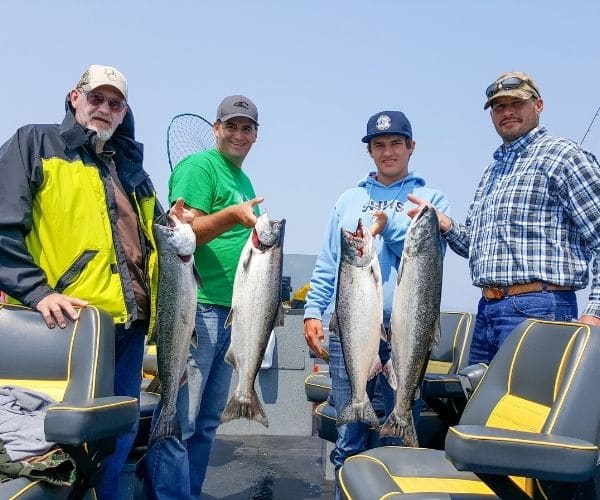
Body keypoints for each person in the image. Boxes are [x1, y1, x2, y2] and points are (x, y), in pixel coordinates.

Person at [0, 64, 161, 498]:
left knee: (117, 433)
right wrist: (37, 291)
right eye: (96, 98)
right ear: (75, 97)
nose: (104, 109)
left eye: (115, 103)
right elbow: (2, 225)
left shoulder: (131, 170)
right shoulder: (34, 142)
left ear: (124, 112)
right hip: (66, 331)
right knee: (64, 442)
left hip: (130, 328)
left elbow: (154, 242)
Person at [408, 70, 600, 366]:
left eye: (517, 103)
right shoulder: (492, 171)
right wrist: (444, 224)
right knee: (480, 409)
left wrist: (595, 311)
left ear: (538, 106)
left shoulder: (564, 156)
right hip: (487, 310)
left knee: (528, 413)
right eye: (499, 107)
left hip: (541, 310)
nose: (507, 112)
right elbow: (475, 245)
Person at [303, 110, 449, 497]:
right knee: (348, 441)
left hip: (407, 331)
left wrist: (394, 227)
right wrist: (313, 311)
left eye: (396, 144)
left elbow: (429, 257)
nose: (388, 152)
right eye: (379, 145)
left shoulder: (430, 199)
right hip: (351, 328)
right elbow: (329, 262)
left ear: (411, 147)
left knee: (397, 449)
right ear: (370, 152)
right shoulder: (349, 200)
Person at [144, 95, 263, 499]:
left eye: (246, 128)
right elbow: (184, 235)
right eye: (231, 126)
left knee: (208, 421)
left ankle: (188, 494)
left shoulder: (241, 179)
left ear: (256, 135)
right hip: (197, 308)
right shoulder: (200, 167)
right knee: (180, 419)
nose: (238, 134)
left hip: (232, 314)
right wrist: (232, 215)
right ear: (216, 129)